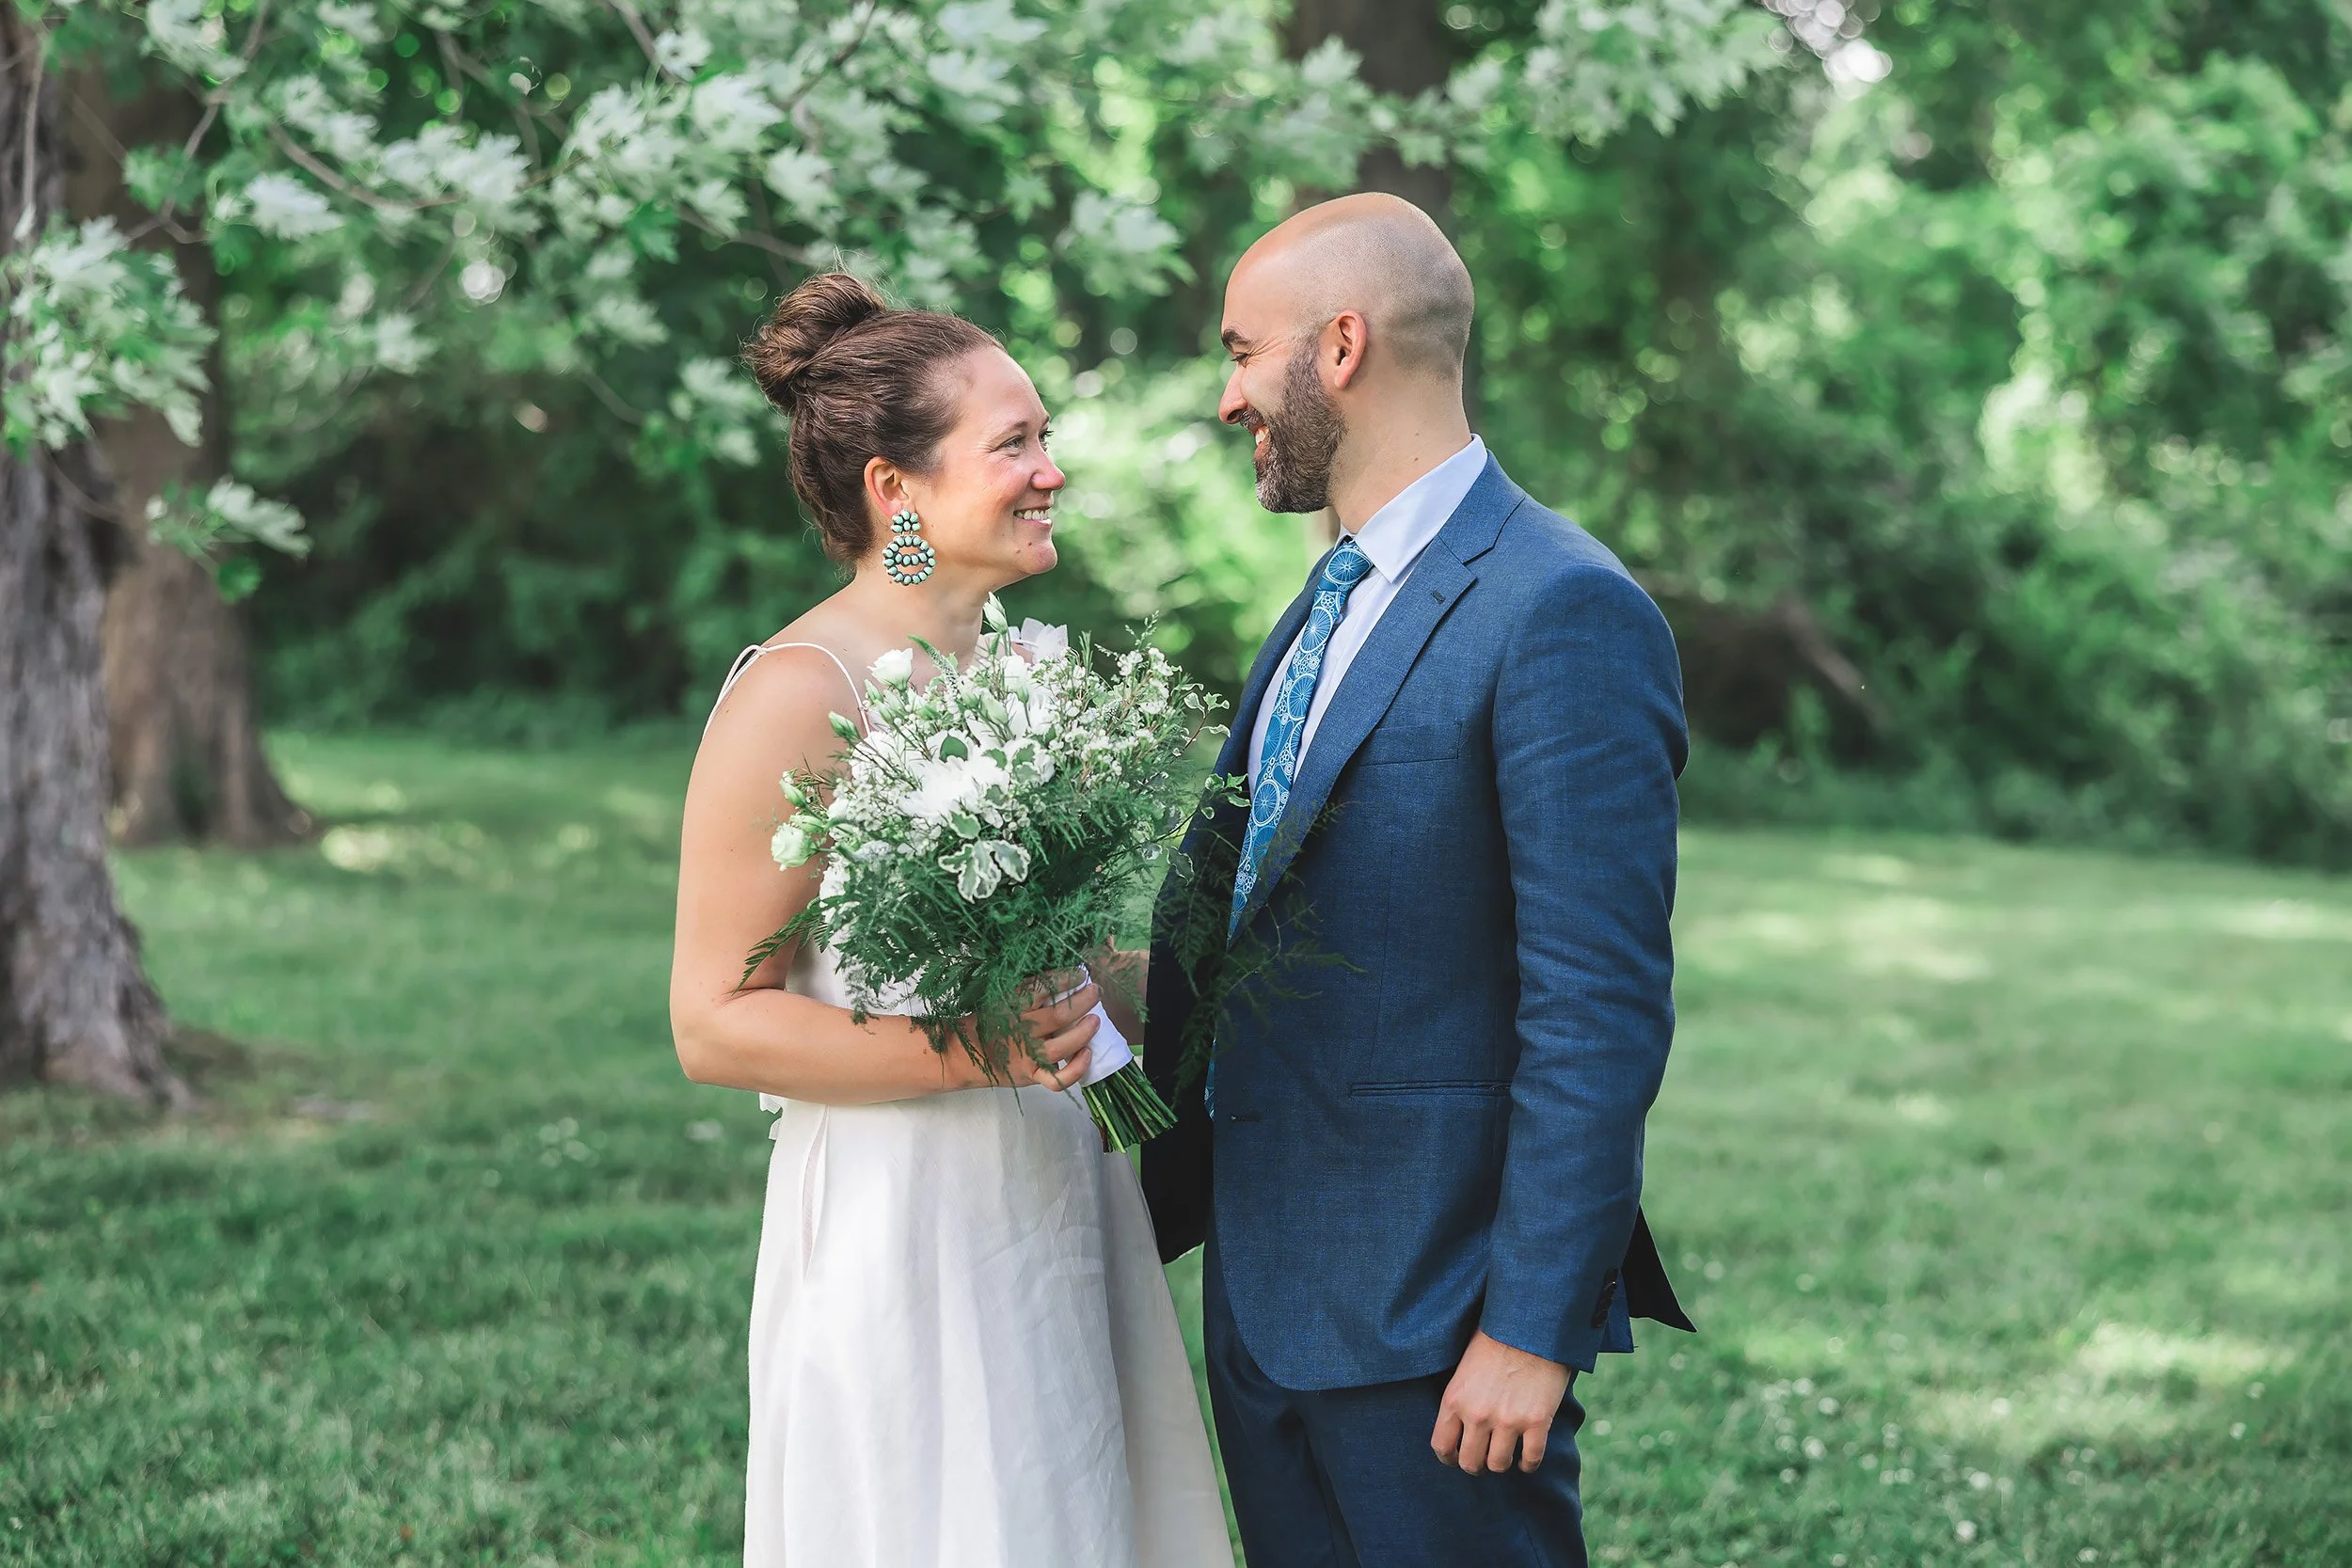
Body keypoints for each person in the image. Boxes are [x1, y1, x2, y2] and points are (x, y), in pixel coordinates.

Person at [1138, 194, 1695, 1567]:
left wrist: (1529, 1326)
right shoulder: (1329, 597)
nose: (1225, 398)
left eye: (1239, 350)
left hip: (1438, 1324)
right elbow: (1264, 924)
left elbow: (1599, 1004)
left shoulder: (1560, 605)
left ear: (1339, 346)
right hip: (1267, 1297)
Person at [669, 273, 1232, 1568]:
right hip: (901, 1217)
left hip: (1058, 1187)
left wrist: (1233, 962)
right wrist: (976, 1052)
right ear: (895, 491)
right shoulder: (800, 693)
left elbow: (1075, 968)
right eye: (1015, 442)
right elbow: (713, 1022)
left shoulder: (1023, 667)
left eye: (1047, 437)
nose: (1052, 471)